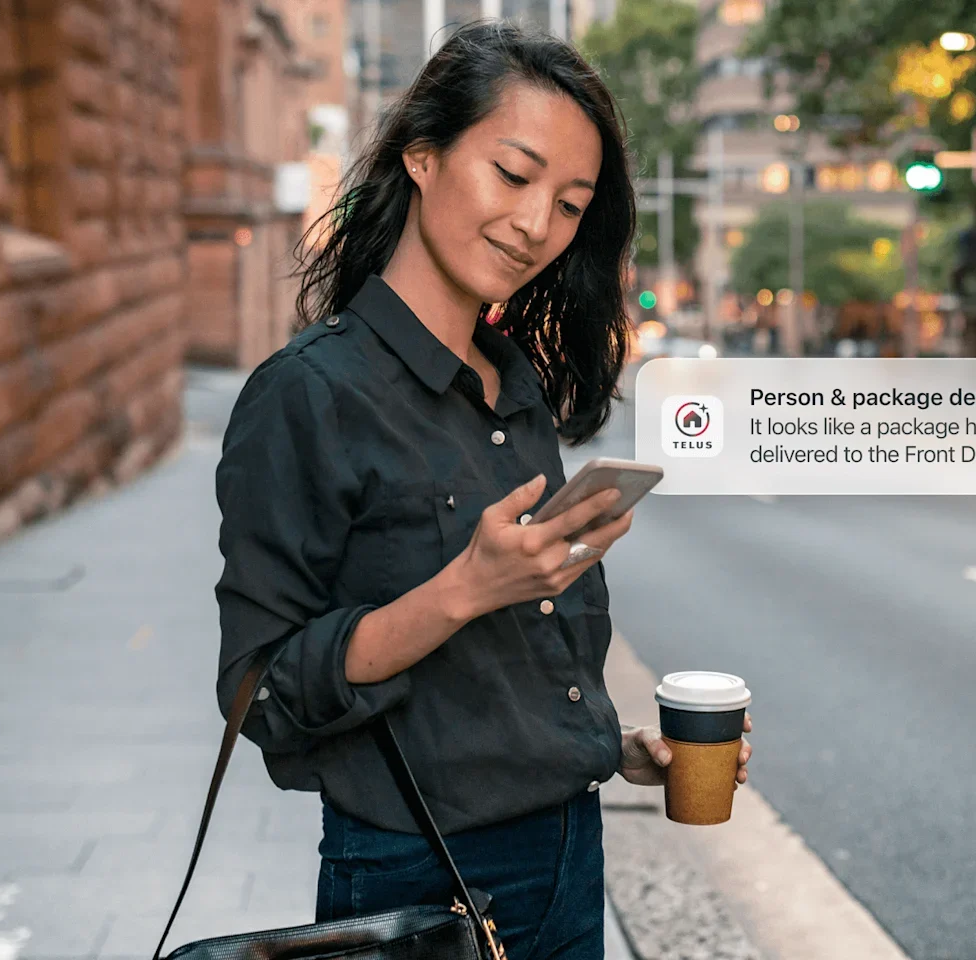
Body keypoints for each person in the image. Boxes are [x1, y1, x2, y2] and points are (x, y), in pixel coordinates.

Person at [212, 21, 751, 957]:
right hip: (416, 882)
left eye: (572, 204)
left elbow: (505, 668)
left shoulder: (513, 387)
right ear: (422, 155)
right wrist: (466, 588)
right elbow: (258, 691)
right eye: (513, 175)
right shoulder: (309, 393)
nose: (537, 223)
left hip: (568, 861)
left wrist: (617, 752)